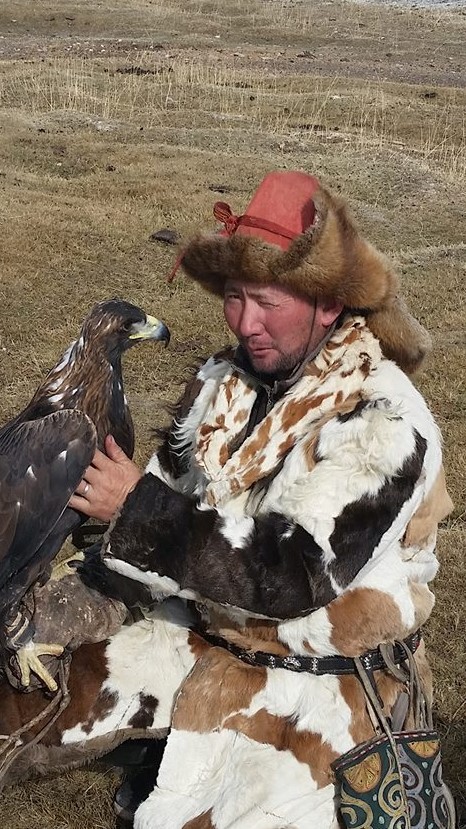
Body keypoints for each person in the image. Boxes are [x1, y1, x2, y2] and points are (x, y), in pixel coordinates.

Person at [70, 171, 454, 828]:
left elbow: (294, 573)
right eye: (235, 297)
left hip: (331, 690)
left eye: (268, 302)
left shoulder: (385, 420)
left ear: (328, 304)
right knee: (30, 691)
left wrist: (134, 510)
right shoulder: (229, 386)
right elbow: (166, 493)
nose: (246, 323)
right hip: (215, 642)